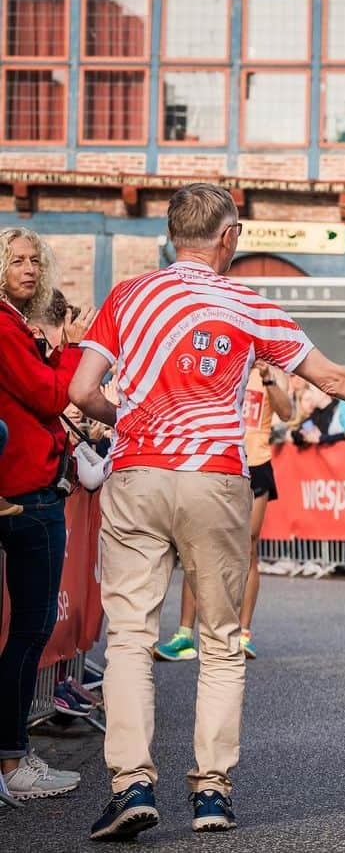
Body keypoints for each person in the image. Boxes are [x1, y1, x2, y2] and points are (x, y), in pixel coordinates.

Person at [68, 183, 345, 841]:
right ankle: (211, 792)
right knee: (222, 642)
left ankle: (130, 784)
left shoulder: (125, 298)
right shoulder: (253, 304)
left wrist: (132, 423)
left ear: (175, 233)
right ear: (228, 237)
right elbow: (336, 381)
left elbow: (81, 388)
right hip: (216, 478)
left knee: (129, 639)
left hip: (139, 473)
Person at [0, 227, 95, 800]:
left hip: (29, 489)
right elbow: (50, 395)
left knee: (27, 636)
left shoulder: (14, 322)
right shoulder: (6, 324)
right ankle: (12, 762)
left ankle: (12, 759)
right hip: (27, 493)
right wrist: (75, 348)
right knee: (30, 633)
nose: (30, 268)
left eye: (36, 260)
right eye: (16, 259)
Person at [153, 359, 294, 663]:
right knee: (197, 545)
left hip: (255, 463)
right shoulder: (223, 361)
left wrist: (268, 378)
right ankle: (184, 635)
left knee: (249, 546)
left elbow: (287, 413)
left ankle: (243, 633)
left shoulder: (271, 371)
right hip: (219, 462)